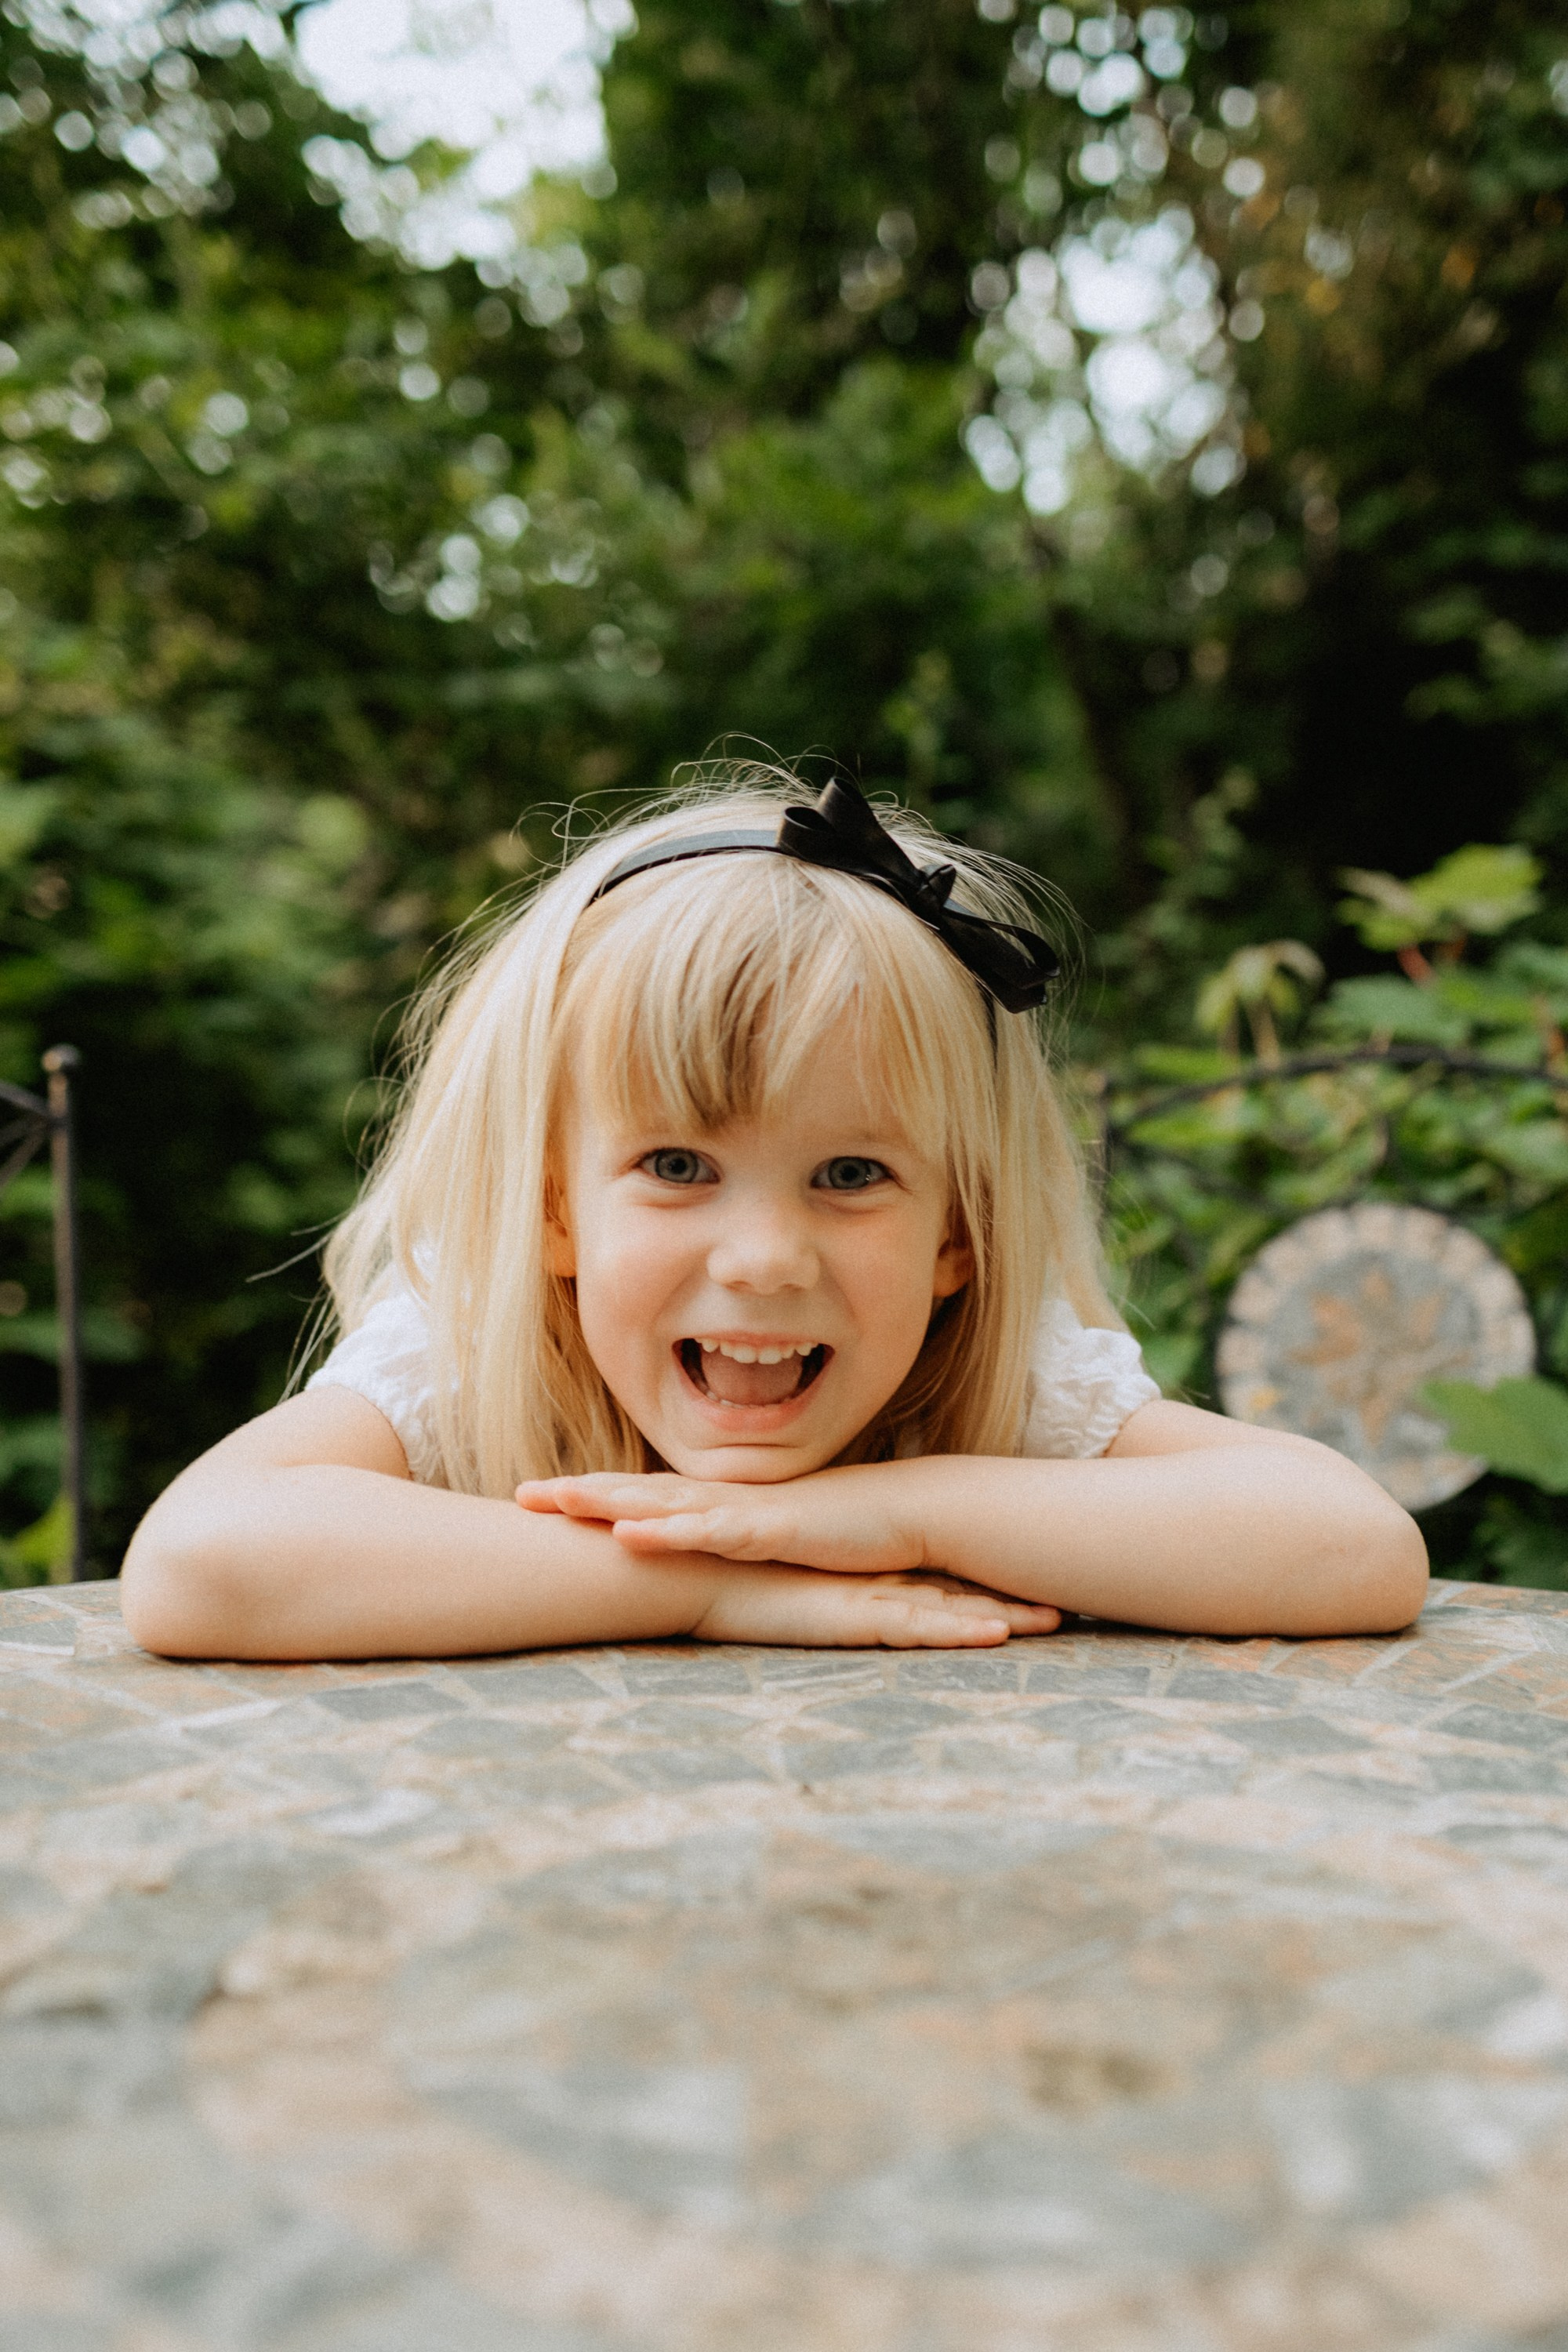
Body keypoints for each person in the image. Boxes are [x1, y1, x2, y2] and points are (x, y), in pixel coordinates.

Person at [121, 768, 1428, 1660]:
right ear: (553, 1213)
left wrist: (903, 1514)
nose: (761, 1261)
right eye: (679, 1166)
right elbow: (199, 1565)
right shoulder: (476, 1347)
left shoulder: (997, 1383)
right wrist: (710, 1583)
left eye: (853, 1176)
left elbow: (1352, 1551)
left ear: (958, 1236)